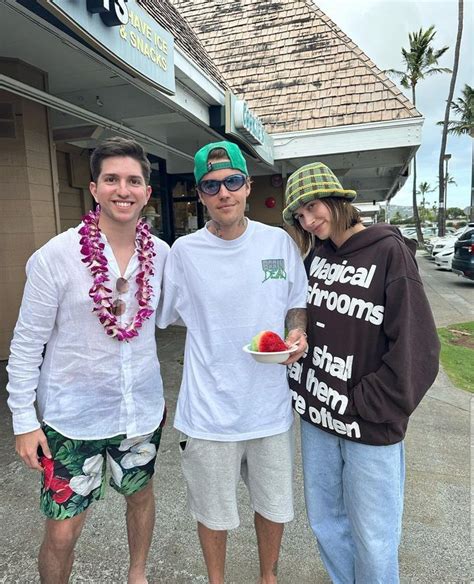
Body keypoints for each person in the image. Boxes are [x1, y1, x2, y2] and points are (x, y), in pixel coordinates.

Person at [6, 136, 170, 584]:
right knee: (62, 530)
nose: (124, 189)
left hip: (139, 410)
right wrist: (24, 418)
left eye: (133, 180)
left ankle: (138, 575)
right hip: (71, 418)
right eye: (112, 179)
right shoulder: (54, 258)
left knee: (140, 497)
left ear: (146, 193)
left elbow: (193, 313)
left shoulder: (162, 258)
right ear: (94, 188)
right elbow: (26, 344)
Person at [157, 141, 308, 584]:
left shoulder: (277, 243)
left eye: (232, 181)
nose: (223, 192)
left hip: (268, 408)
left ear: (247, 185)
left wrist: (296, 333)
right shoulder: (183, 252)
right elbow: (159, 313)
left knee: (274, 505)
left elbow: (295, 302)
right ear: (200, 194)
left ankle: (268, 578)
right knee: (213, 513)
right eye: (211, 185)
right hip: (208, 413)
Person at [282, 162, 440, 584]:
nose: (308, 220)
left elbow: (418, 348)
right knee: (327, 523)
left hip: (369, 423)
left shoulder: (389, 251)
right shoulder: (316, 256)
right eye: (299, 215)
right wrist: (296, 338)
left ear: (336, 200)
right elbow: (310, 317)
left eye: (313, 206)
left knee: (373, 535)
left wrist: (367, 402)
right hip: (318, 417)